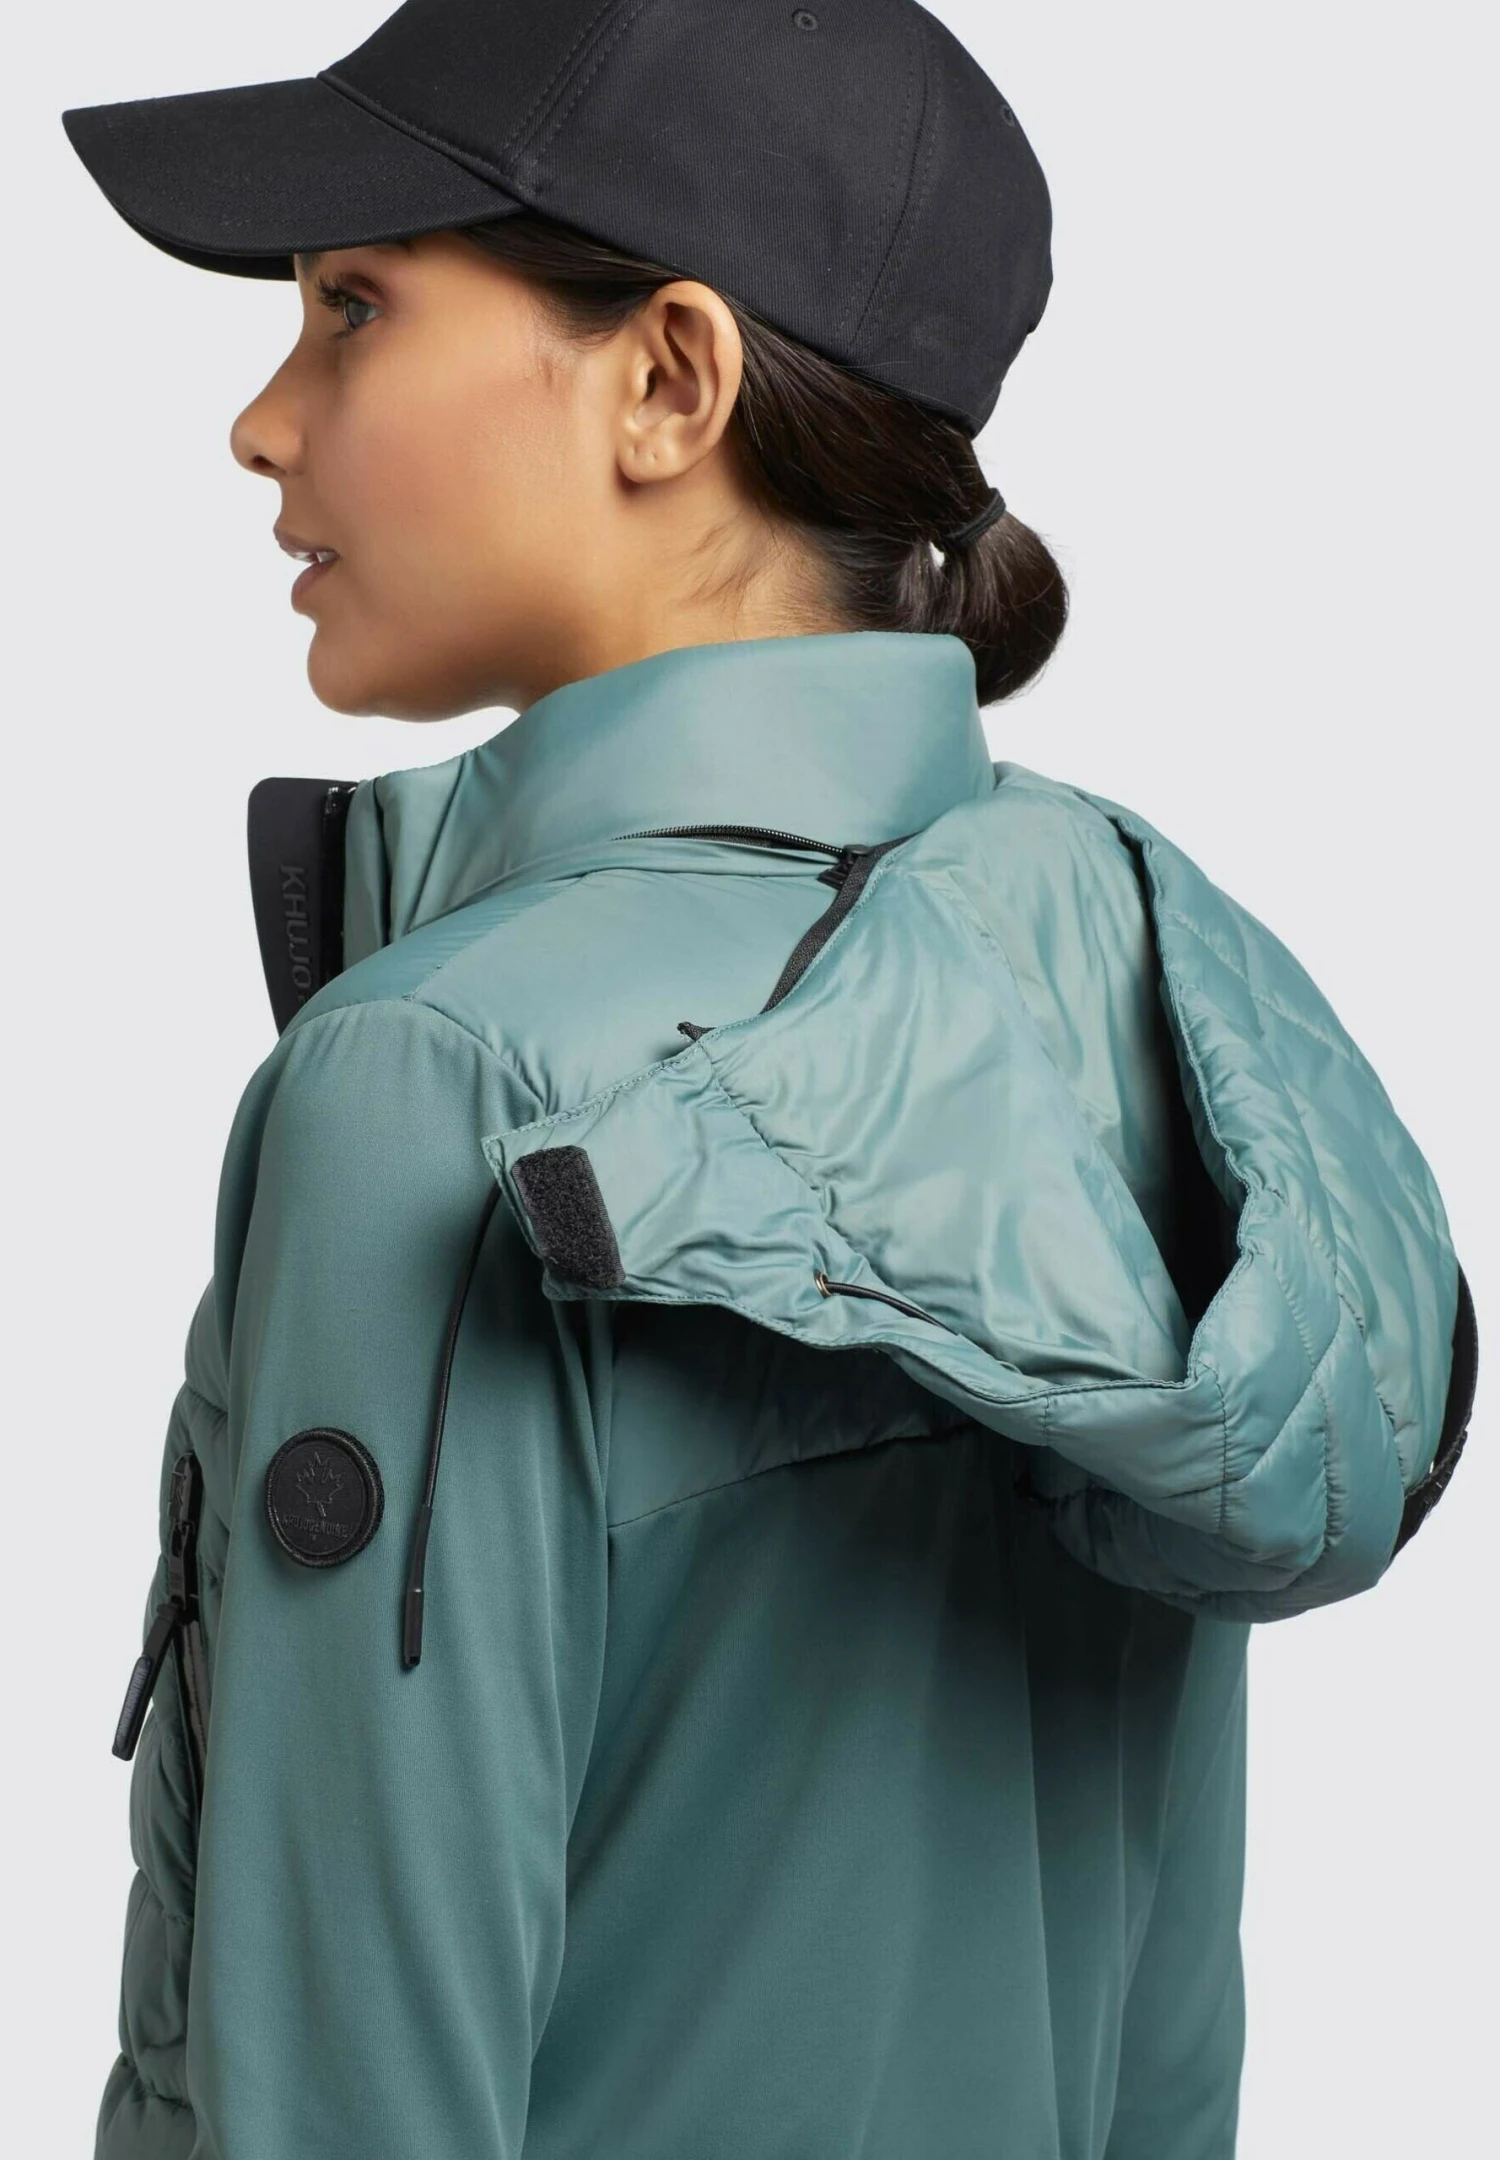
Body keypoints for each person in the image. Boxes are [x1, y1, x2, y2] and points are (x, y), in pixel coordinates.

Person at [62, 4, 1475, 2156]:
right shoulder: (1118, 970)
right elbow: (1165, 2046)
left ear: (669, 381)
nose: (262, 423)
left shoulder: (448, 1084)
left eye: (354, 308)